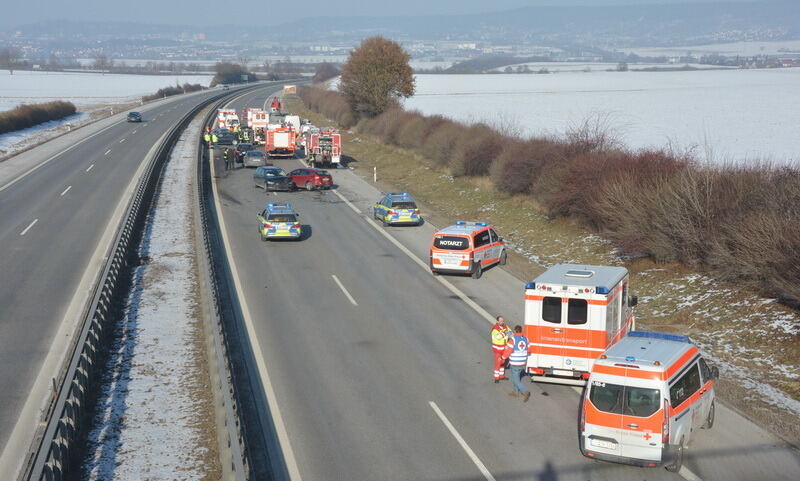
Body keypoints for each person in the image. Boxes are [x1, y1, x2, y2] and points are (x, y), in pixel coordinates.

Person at [505, 325, 531, 402]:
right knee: (517, 377)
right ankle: (515, 392)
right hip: (522, 362)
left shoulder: (512, 340)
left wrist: (502, 358)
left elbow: (508, 351)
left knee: (515, 379)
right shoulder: (526, 339)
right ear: (521, 331)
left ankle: (525, 391)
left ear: (515, 331)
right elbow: (529, 350)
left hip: (514, 362)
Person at [490, 316, 512, 383]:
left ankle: (501, 376)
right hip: (498, 349)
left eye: (502, 320)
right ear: (497, 321)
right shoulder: (495, 329)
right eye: (500, 321)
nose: (502, 322)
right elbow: (498, 337)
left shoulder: (505, 326)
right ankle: (496, 378)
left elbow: (510, 332)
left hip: (504, 348)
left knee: (503, 362)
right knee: (498, 363)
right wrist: (505, 333)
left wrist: (508, 333)